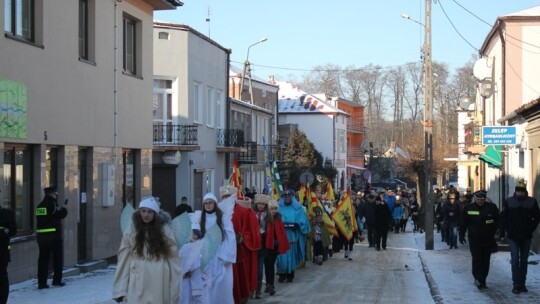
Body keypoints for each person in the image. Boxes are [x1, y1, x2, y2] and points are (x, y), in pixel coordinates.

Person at [112, 196, 180, 303]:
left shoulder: (165, 232)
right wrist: (120, 289)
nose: (146, 215)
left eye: (150, 212)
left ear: (155, 214)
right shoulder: (131, 231)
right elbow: (123, 260)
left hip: (159, 279)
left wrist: (174, 290)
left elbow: (174, 260)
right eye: (143, 211)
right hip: (138, 279)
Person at [500, 179, 540, 294]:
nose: (520, 193)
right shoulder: (509, 201)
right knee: (515, 260)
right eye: (518, 191)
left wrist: (530, 228)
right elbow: (504, 217)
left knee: (523, 260)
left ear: (525, 191)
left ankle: (522, 283)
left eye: (522, 191)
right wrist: (505, 230)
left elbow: (537, 217)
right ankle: (516, 284)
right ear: (515, 191)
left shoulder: (532, 202)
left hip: (526, 235)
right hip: (513, 235)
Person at [223, 186, 260, 304]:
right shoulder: (217, 212)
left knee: (239, 277)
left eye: (229, 196)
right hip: (222, 253)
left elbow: (252, 231)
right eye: (224, 196)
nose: (226, 198)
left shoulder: (244, 212)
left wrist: (243, 238)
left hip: (239, 251)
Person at [199, 192, 237, 304]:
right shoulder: (201, 219)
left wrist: (225, 255)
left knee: (222, 285)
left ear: (215, 204)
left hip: (220, 255)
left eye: (210, 203)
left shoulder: (223, 218)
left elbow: (230, 235)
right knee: (207, 286)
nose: (208, 205)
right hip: (206, 256)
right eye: (205, 203)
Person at [459, 190, 499, 290]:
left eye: (482, 199)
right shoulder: (469, 208)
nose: (480, 201)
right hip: (474, 238)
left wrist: (498, 231)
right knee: (477, 259)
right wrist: (461, 234)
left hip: (488, 238)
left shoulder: (491, 207)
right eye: (478, 199)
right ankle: (477, 278)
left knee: (485, 260)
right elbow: (463, 222)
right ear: (475, 199)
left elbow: (497, 220)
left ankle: (483, 279)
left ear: (485, 199)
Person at [254, 197, 290, 297]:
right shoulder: (264, 218)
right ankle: (260, 288)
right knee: (261, 268)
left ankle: (270, 285)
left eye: (275, 208)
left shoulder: (278, 219)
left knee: (270, 266)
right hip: (263, 246)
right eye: (272, 208)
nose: (274, 210)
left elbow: (280, 233)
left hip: (272, 247)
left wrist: (277, 242)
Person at [35, 186, 68, 289]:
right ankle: (57, 281)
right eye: (55, 194)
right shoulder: (53, 204)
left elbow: (41, 219)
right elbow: (60, 214)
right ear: (51, 194)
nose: (56, 195)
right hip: (54, 236)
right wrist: (64, 209)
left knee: (43, 260)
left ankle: (41, 283)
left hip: (41, 237)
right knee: (57, 259)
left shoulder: (39, 206)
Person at [276, 189, 310, 283]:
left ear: (292, 197)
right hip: (281, 238)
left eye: (289, 197)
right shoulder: (278, 208)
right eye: (285, 197)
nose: (287, 198)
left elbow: (303, 222)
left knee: (291, 257)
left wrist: (297, 225)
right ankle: (282, 274)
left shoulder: (298, 208)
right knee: (281, 257)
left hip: (292, 238)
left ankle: (290, 274)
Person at [0, 203, 16, 304]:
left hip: (2, 252)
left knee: (1, 278)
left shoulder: (6, 213)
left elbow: (12, 231)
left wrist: (4, 231)